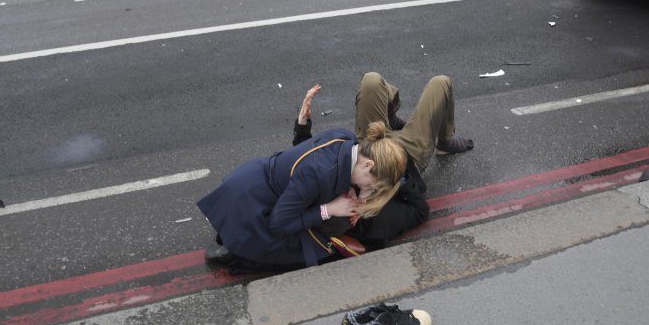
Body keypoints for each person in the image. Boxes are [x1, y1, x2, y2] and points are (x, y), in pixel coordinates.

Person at [198, 121, 408, 273]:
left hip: (254, 182)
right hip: (252, 207)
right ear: (367, 165)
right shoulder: (318, 173)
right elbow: (279, 224)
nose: (368, 192)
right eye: (372, 186)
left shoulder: (348, 140)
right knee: (315, 253)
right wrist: (329, 210)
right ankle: (238, 255)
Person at [292, 73, 473, 249]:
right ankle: (445, 140)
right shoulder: (378, 225)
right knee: (441, 83)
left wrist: (302, 126)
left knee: (371, 81)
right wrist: (397, 174)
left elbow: (306, 163)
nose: (350, 192)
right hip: (407, 155)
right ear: (353, 216)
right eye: (351, 199)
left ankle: (389, 118)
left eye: (344, 195)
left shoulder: (327, 193)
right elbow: (420, 211)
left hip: (371, 143)